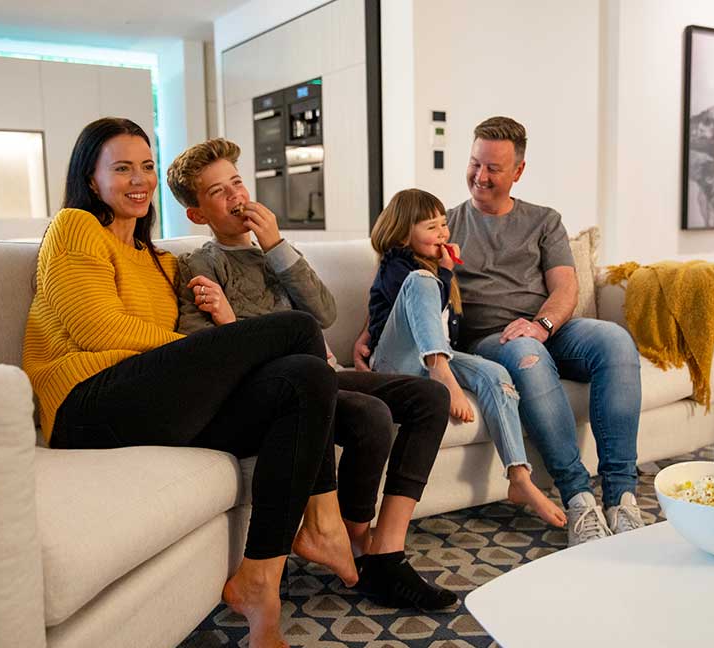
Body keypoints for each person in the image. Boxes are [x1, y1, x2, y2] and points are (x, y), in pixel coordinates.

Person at [22, 117, 358, 648]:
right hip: (84, 404)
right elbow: (95, 327)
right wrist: (201, 350)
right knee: (295, 330)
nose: (140, 180)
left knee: (306, 375)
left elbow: (182, 348)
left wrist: (210, 350)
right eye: (122, 168)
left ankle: (259, 581)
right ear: (92, 180)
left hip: (152, 403)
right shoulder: (74, 227)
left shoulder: (159, 260)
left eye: (147, 166)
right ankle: (324, 516)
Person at [166, 138, 458, 611]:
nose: (236, 196)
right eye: (219, 193)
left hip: (326, 372)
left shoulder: (277, 251)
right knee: (372, 416)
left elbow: (323, 312)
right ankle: (357, 544)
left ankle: (384, 549)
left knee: (430, 398)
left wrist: (277, 245)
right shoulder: (202, 263)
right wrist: (228, 321)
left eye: (237, 182)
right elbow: (206, 353)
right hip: (281, 388)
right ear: (197, 215)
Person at [356, 116, 644, 546]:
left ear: (518, 172)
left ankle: (622, 496)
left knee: (616, 341)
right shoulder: (444, 224)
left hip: (547, 327)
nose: (480, 176)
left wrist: (542, 324)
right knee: (527, 356)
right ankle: (578, 497)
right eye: (475, 163)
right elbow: (401, 279)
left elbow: (566, 285)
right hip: (492, 339)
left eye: (493, 168)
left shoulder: (544, 221)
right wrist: (367, 332)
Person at [365, 187, 566, 528]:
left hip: (436, 358)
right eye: (431, 227)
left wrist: (446, 271)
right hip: (394, 366)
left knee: (495, 373)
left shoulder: (437, 269)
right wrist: (442, 272)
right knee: (422, 280)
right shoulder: (398, 265)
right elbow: (410, 302)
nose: (443, 233)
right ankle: (442, 373)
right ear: (402, 233)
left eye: (443, 225)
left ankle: (519, 477)